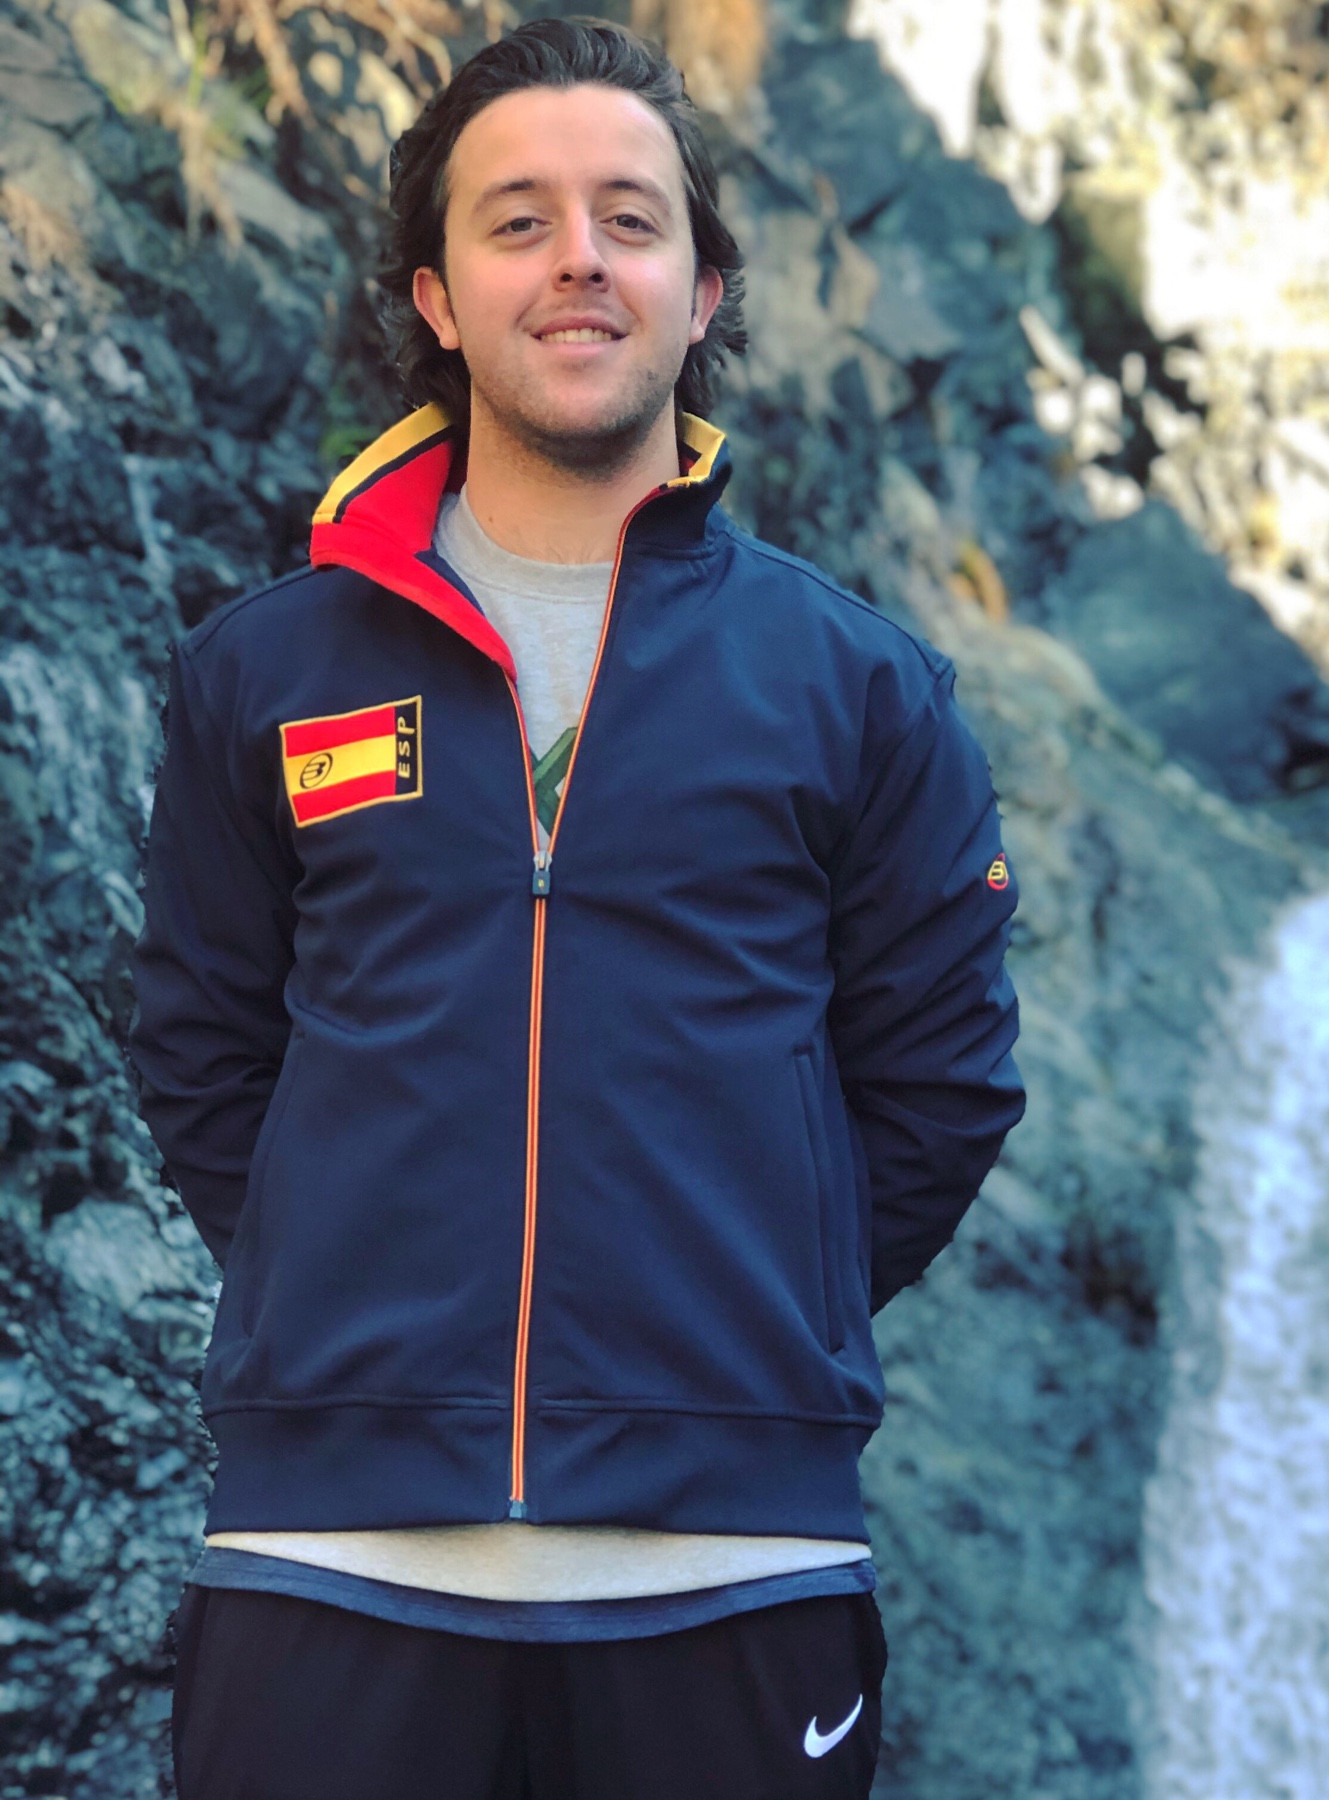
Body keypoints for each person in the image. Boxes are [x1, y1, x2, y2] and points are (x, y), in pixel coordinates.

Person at [127, 18, 1025, 1798]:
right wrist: (356, 1289)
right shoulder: (262, 676)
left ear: (703, 292)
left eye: (630, 217)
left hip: (735, 1568)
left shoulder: (861, 689)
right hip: (327, 1561)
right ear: (439, 298)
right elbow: (203, 1060)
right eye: (518, 220)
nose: (579, 261)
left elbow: (937, 1093)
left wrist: (744, 1315)